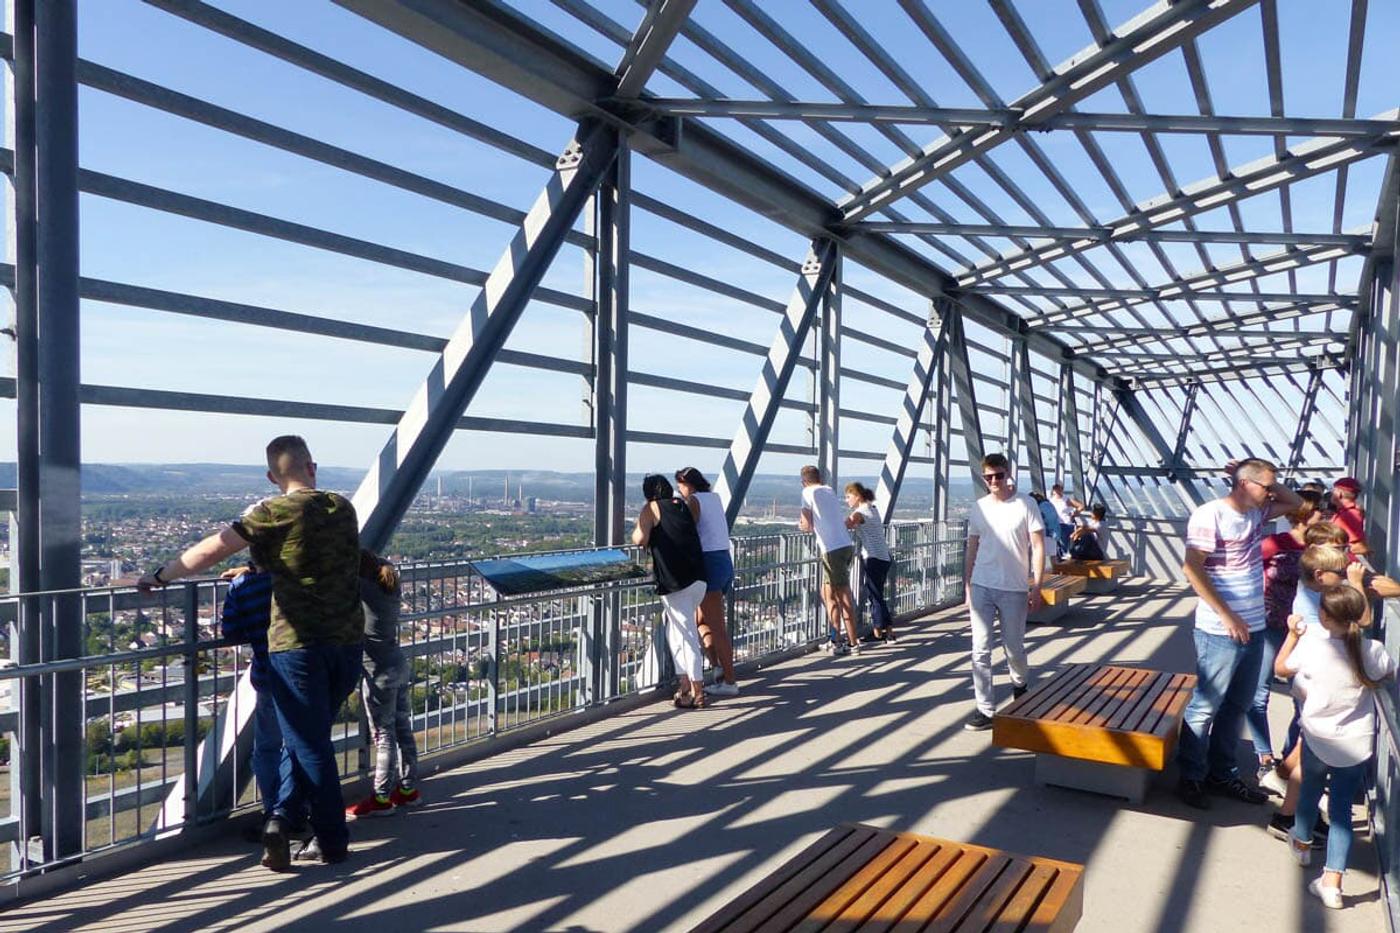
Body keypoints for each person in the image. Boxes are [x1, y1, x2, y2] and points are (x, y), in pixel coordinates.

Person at [139, 435, 365, 870]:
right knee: (308, 740)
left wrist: (160, 576)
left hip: (297, 647)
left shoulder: (271, 512)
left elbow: (211, 549)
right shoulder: (342, 506)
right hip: (347, 641)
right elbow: (314, 555)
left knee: (311, 745)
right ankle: (283, 818)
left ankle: (331, 839)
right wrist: (258, 565)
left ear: (271, 476)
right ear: (311, 467)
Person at [1176, 457, 1301, 809]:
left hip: (1255, 627)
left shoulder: (1255, 514)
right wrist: (1227, 615)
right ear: (1245, 485)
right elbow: (1191, 567)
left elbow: (1296, 503)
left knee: (1237, 705)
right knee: (1205, 706)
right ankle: (1191, 776)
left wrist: (1270, 484)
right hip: (1219, 630)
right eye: (1266, 487)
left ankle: (1222, 772)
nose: (1272, 494)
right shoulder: (1209, 514)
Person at [1276, 585, 1395, 910]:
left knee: (1310, 791)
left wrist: (1291, 634)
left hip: (1317, 737)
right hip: (1355, 744)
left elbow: (1281, 668)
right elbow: (1387, 671)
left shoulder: (1313, 648)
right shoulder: (1372, 650)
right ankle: (1333, 882)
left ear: (1324, 617)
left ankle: (1301, 844)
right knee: (1341, 809)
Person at [963, 454, 1046, 731]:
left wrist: (1037, 584)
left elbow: (1038, 545)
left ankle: (1020, 685)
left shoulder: (1026, 503)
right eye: (988, 477)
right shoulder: (979, 508)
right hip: (982, 585)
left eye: (998, 475)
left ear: (1007, 473)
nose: (994, 481)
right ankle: (985, 709)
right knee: (980, 649)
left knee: (1013, 647)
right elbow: (972, 547)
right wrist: (968, 584)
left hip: (1014, 587)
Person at [1248, 491, 1321, 784]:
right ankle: (1264, 756)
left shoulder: (1321, 548)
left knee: (1305, 698)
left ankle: (1291, 756)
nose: (1324, 514)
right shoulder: (1275, 544)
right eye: (1319, 510)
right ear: (1302, 515)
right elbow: (1244, 567)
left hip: (1307, 632)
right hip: (1270, 626)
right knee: (1258, 693)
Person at [344, 551, 422, 821]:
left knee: (383, 734)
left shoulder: (364, 588)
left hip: (378, 671)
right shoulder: (389, 585)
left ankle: (381, 797)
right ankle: (408, 789)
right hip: (398, 664)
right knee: (402, 728)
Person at [217, 565, 282, 842]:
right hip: (308, 671)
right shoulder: (293, 575)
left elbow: (231, 633)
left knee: (267, 749)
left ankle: (275, 815)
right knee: (302, 744)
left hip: (268, 674)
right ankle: (299, 809)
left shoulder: (243, 586)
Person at [632, 475, 707, 709]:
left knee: (685, 636)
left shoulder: (651, 507)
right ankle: (684, 685)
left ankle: (698, 691)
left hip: (676, 582)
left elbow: (640, 538)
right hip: (699, 579)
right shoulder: (682, 505)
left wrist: (638, 529)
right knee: (675, 633)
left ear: (648, 493)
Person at [674, 467, 738, 698]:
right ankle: (718, 668)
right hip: (723, 559)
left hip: (708, 562)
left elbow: (685, 530)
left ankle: (729, 680)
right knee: (701, 620)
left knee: (717, 628)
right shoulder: (715, 497)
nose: (679, 490)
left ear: (686, 483)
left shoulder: (693, 500)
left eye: (680, 485)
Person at [797, 466, 859, 656]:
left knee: (842, 598)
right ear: (820, 478)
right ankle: (835, 639)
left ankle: (852, 644)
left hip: (831, 550)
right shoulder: (828, 490)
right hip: (845, 544)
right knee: (828, 594)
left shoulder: (807, 492)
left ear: (803, 481)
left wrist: (800, 525)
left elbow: (806, 526)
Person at [844, 482, 895, 643]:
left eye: (848, 496)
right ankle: (889, 632)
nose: (847, 500)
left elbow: (846, 524)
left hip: (874, 558)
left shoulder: (861, 511)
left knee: (875, 596)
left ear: (858, 496)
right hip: (883, 557)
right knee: (877, 594)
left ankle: (878, 633)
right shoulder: (872, 508)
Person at [1329, 477, 1367, 555]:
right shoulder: (1344, 513)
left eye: (1333, 490)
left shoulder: (1350, 514)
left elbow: (1358, 545)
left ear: (1339, 493)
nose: (1332, 493)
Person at [1048, 484, 1084, 558]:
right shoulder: (1050, 500)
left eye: (1058, 489)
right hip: (1056, 524)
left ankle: (1067, 560)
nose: (1057, 491)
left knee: (1066, 545)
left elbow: (1081, 506)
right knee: (1059, 545)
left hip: (1066, 524)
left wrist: (1074, 514)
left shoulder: (1066, 499)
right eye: (1055, 489)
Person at [1029, 492, 1061, 559]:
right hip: (1054, 533)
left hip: (1046, 534)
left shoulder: (1039, 507)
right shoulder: (1049, 505)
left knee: (1041, 555)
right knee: (1052, 556)